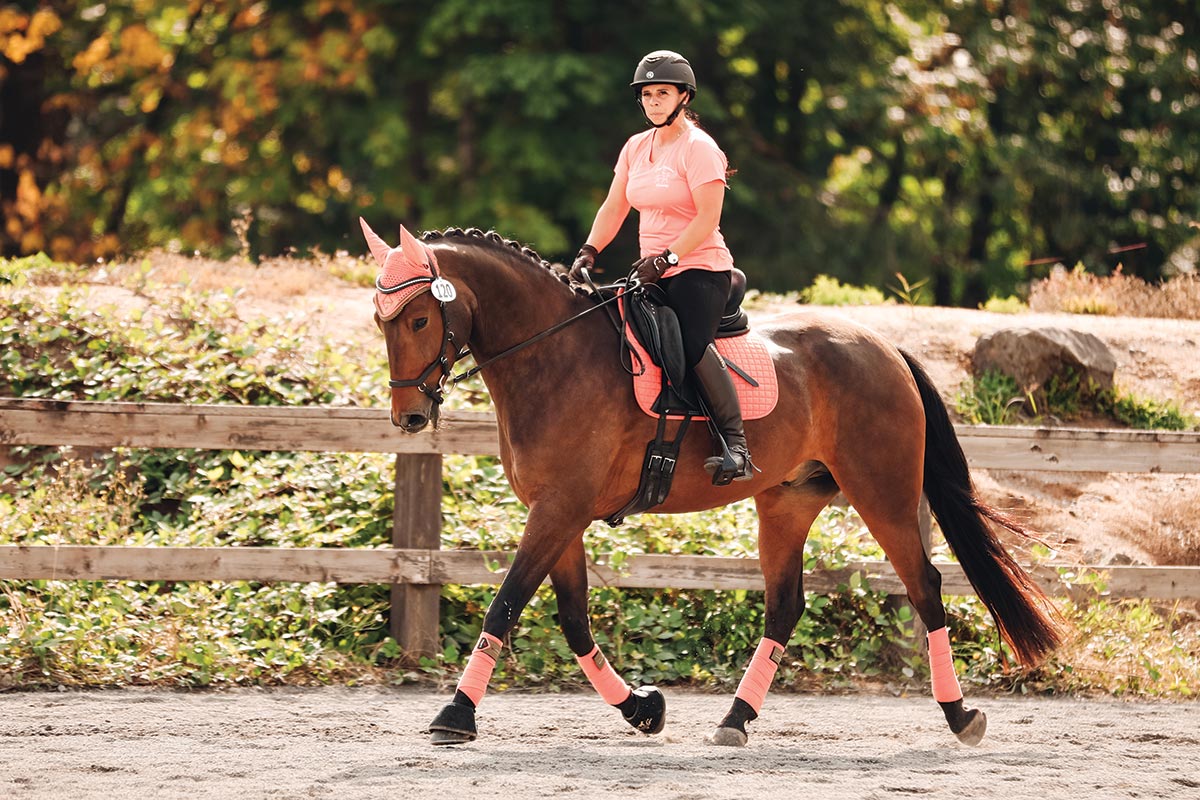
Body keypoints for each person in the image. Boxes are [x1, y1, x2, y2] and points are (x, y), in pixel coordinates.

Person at [569, 50, 755, 484]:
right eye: (647, 94)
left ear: (683, 97)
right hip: (650, 270)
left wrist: (669, 257)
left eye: (662, 93)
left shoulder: (701, 149)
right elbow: (615, 206)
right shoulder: (636, 147)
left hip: (699, 267)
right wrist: (589, 250)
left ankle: (736, 443)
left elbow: (708, 218)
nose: (653, 102)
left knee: (689, 347)